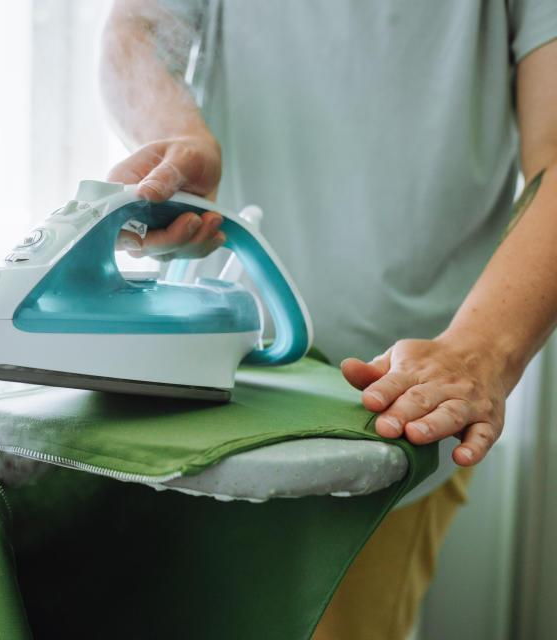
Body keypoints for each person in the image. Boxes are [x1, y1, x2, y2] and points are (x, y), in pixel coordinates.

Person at [100, 1, 557, 638]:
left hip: (393, 401)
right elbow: (139, 28)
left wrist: (480, 353)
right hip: (199, 374)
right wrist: (177, 142)